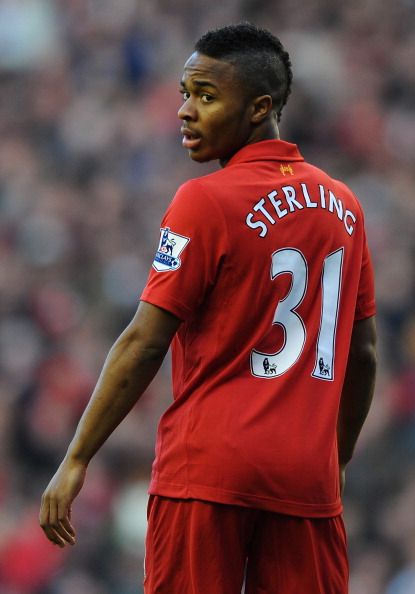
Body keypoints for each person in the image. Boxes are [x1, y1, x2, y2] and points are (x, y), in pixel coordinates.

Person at [40, 23, 377, 594]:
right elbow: (363, 354)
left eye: (206, 96)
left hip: (207, 472)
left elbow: (144, 341)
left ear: (259, 107)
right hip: (305, 482)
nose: (185, 112)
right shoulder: (344, 206)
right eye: (185, 94)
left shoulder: (205, 201)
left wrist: (76, 458)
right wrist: (335, 458)